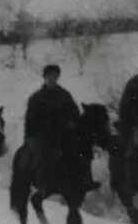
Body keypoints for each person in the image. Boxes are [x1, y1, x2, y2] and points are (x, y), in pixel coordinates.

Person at [24, 64, 97, 192]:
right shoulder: (36, 98)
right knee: (41, 155)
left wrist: (71, 122)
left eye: (55, 76)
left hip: (62, 134)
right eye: (49, 76)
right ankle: (41, 183)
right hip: (42, 135)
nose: (52, 79)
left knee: (82, 150)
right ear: (44, 77)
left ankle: (85, 180)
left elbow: (75, 113)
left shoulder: (64, 95)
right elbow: (30, 121)